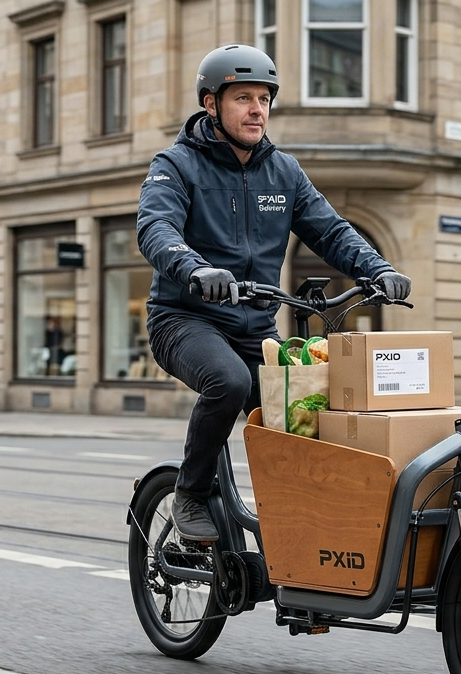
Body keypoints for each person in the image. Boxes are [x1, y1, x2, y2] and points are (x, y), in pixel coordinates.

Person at [138, 44, 412, 542]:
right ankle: (191, 494)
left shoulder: (282, 170)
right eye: (243, 97)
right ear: (211, 104)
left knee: (307, 412)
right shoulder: (176, 165)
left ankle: (301, 523)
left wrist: (379, 269)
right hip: (185, 319)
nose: (257, 109)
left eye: (264, 98)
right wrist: (196, 270)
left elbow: (330, 231)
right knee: (229, 383)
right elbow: (155, 228)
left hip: (256, 327)